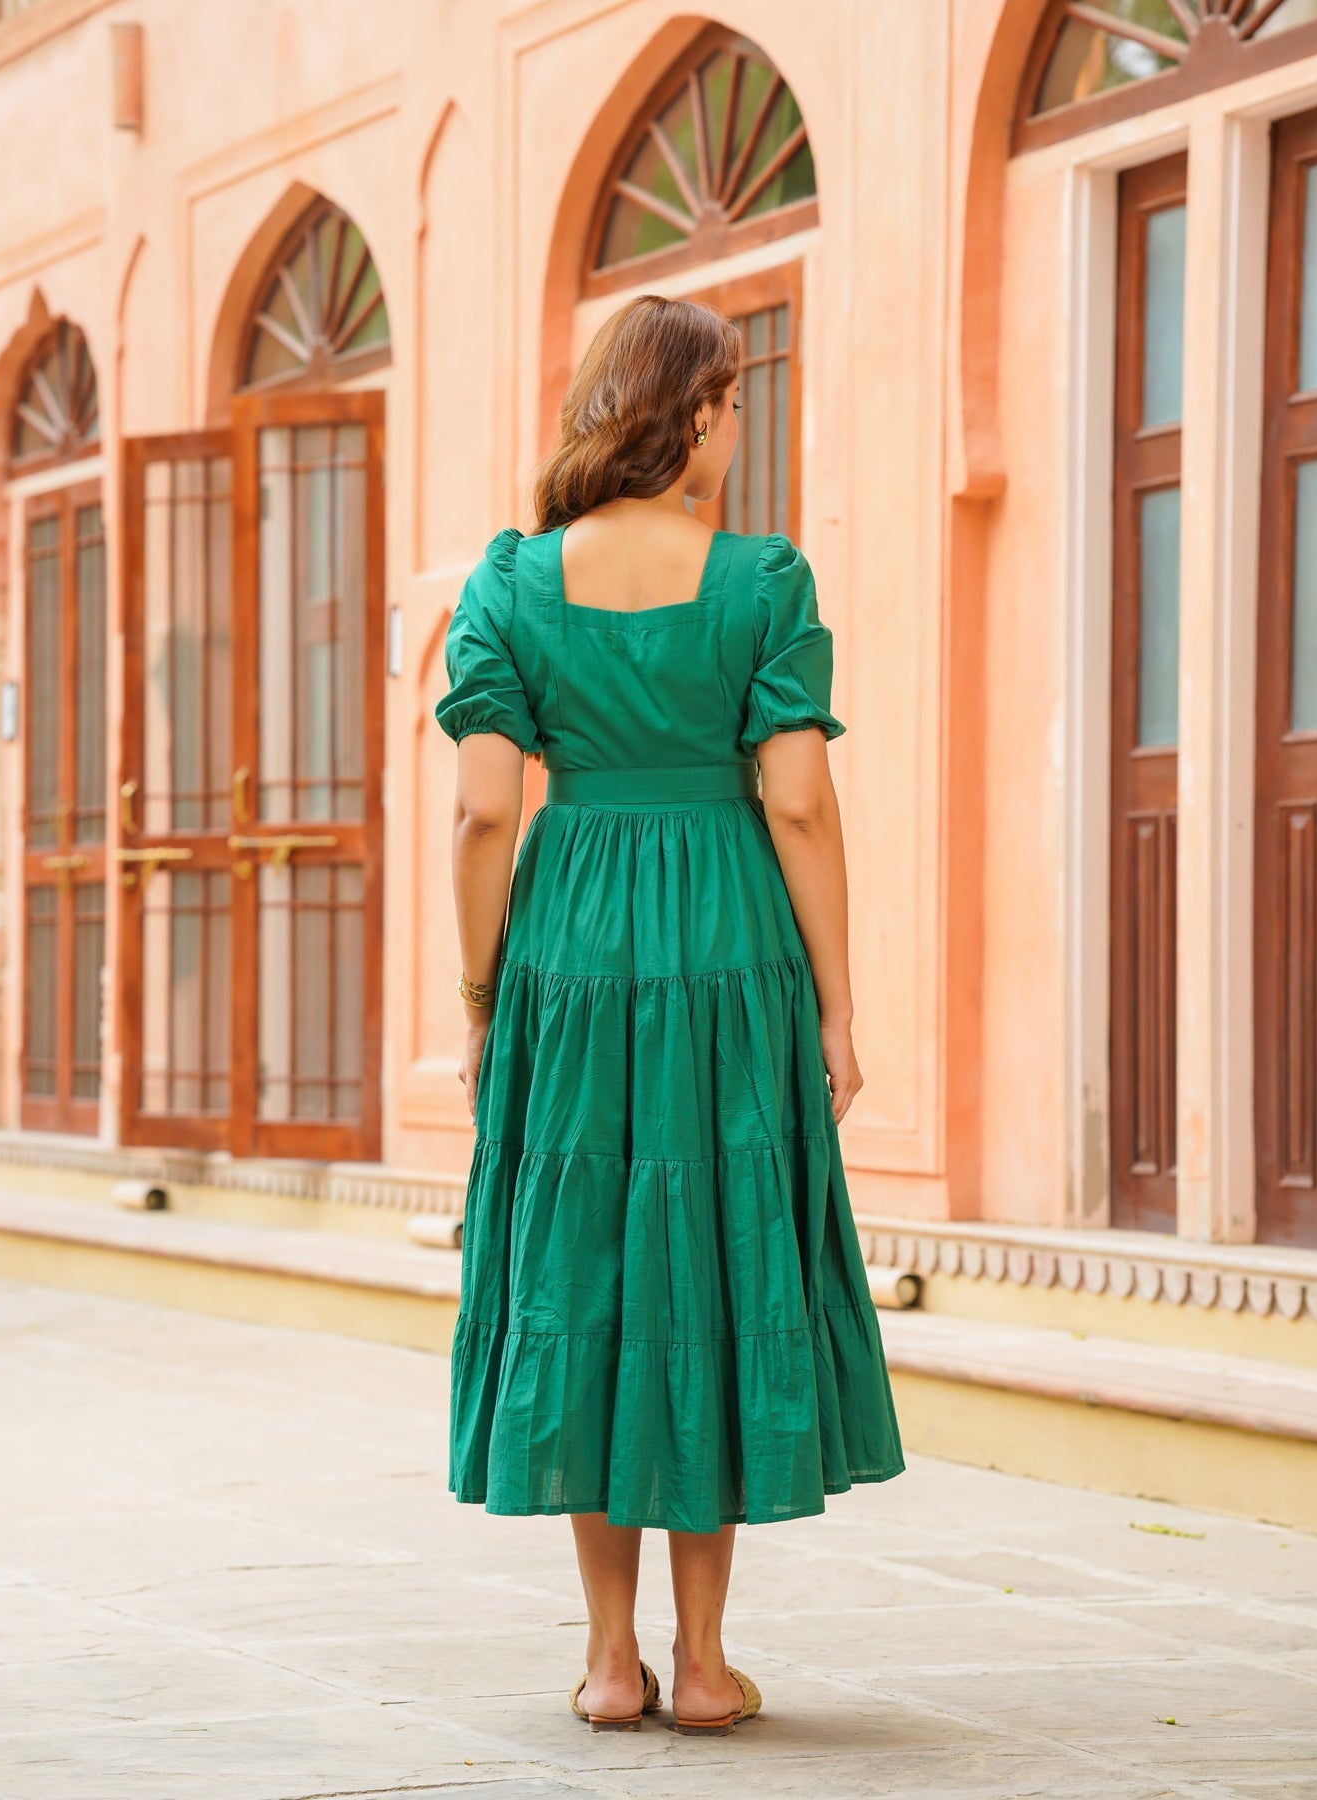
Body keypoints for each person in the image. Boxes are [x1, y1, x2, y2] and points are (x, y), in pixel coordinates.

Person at [434, 293, 905, 1737]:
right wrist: (837, 1006)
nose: (738, 426)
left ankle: (606, 1659)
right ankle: (705, 1664)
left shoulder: (510, 584)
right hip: (723, 939)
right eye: (734, 400)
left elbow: (476, 814)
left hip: (568, 948)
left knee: (589, 1264)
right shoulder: (763, 579)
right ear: (692, 413)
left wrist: (480, 993)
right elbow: (802, 802)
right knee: (709, 1260)